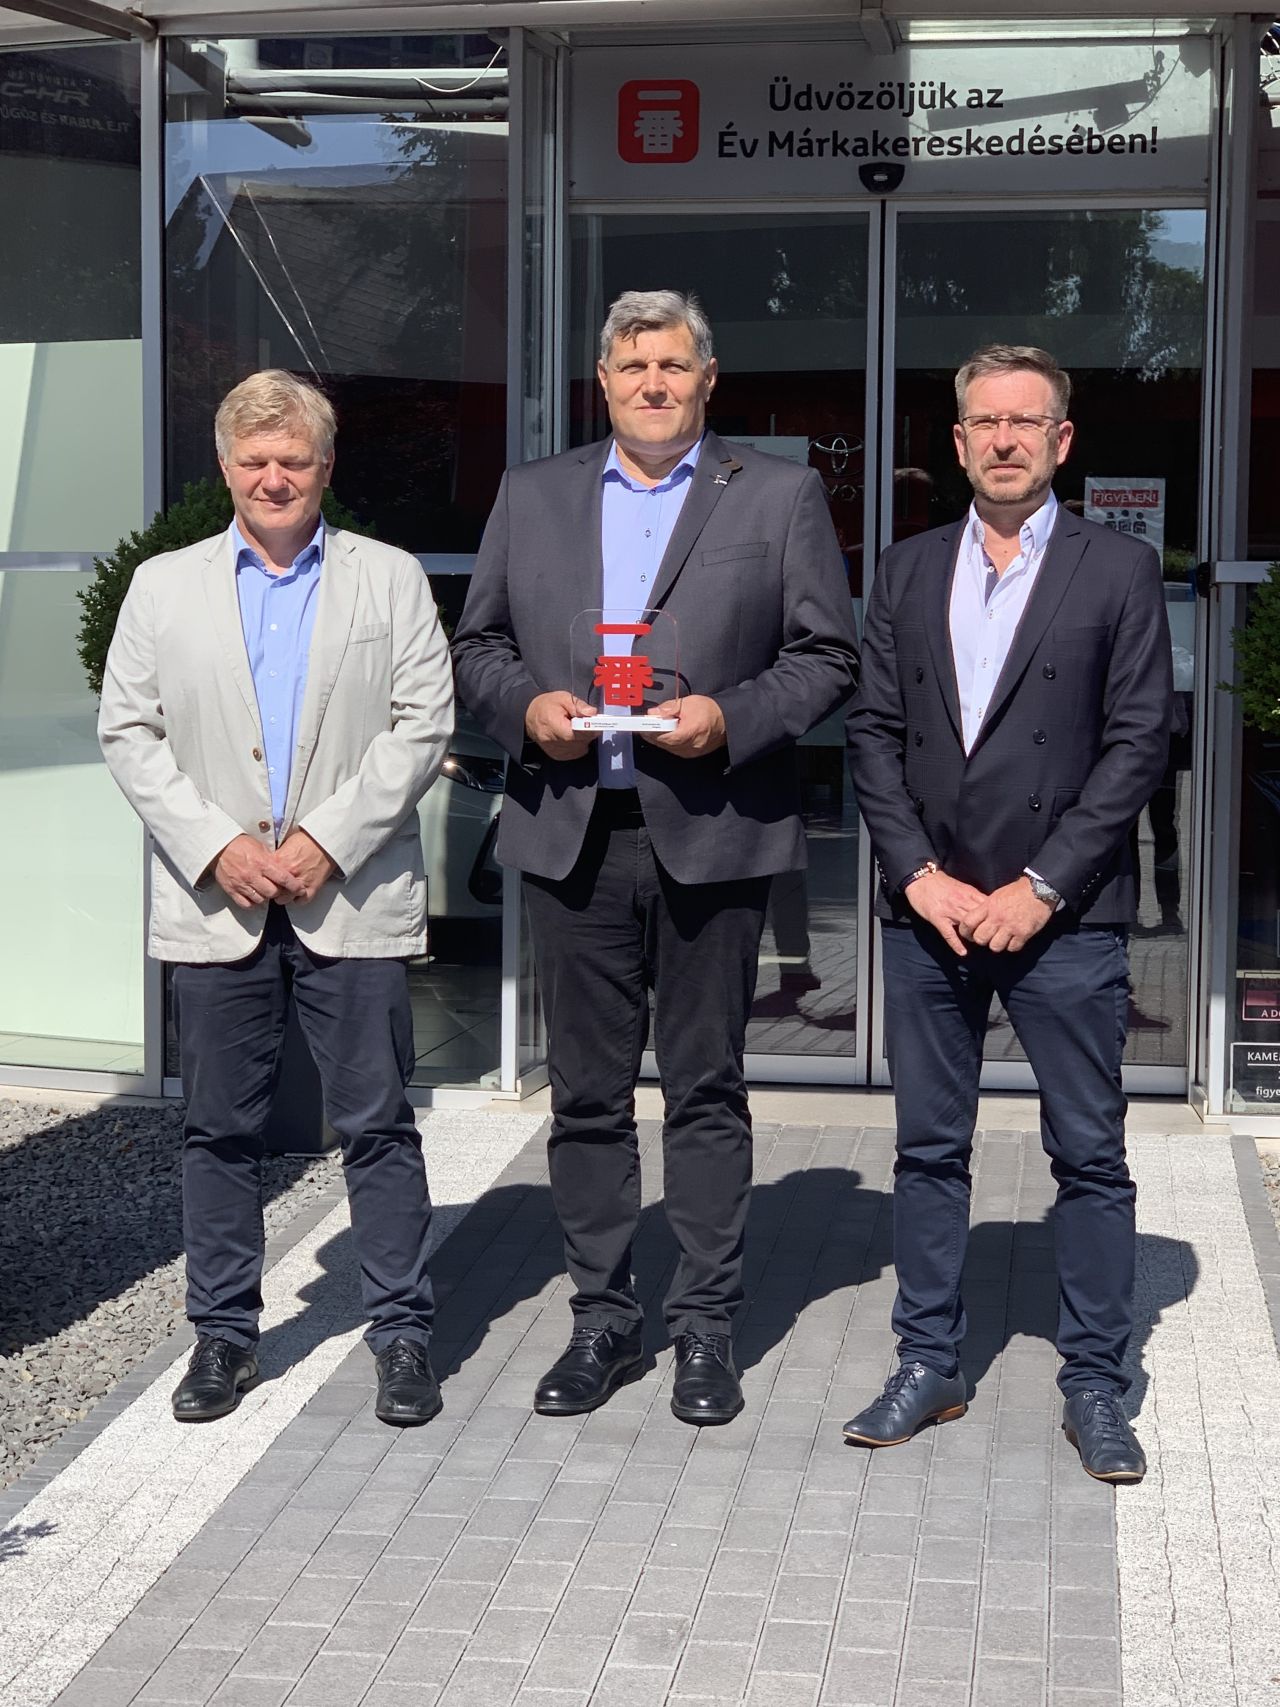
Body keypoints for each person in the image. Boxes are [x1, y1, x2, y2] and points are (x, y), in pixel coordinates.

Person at [452, 290, 858, 1425]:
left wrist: (731, 717)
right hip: (573, 830)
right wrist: (525, 706)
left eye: (673, 365)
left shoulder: (774, 495)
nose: (652, 383)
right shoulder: (534, 494)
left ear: (707, 378)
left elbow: (827, 656)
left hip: (711, 831)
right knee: (585, 1095)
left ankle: (705, 1325)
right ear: (603, 381)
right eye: (632, 366)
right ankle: (601, 1317)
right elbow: (477, 643)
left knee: (704, 1088)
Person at [99, 370, 454, 1426]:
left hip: (350, 895)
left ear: (325, 467)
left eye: (292, 460)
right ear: (225, 468)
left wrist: (323, 843)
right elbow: (128, 730)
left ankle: (401, 1332)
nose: (273, 478)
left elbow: (422, 724)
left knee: (378, 1123)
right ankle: (223, 1335)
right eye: (254, 461)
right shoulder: (162, 587)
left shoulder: (389, 578)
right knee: (219, 1129)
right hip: (219, 903)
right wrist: (216, 847)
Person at [844, 344, 1172, 1483]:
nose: (1002, 439)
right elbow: (871, 733)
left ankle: (1096, 1381)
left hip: (1061, 917)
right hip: (930, 911)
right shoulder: (904, 570)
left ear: (1060, 440)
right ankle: (926, 1360)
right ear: (956, 440)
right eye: (983, 421)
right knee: (927, 1150)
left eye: (1024, 422)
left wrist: (1040, 888)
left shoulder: (1117, 569)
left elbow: (1138, 743)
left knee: (1088, 1153)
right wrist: (915, 875)